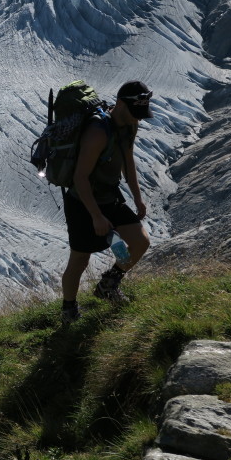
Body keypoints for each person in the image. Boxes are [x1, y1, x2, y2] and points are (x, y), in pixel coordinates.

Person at [61, 81, 153, 323]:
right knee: (80, 259)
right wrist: (96, 216)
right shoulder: (98, 132)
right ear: (121, 104)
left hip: (109, 196)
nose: (138, 119)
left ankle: (108, 286)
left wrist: (137, 198)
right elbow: (80, 178)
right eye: (135, 113)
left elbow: (128, 161)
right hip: (83, 203)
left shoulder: (129, 125)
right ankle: (68, 310)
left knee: (140, 242)